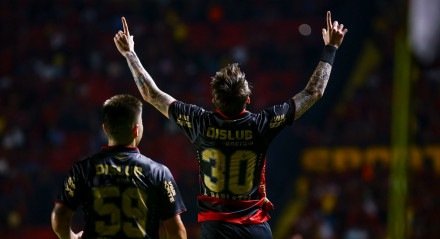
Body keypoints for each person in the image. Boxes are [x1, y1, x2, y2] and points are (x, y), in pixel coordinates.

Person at [114, 11, 347, 239]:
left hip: (216, 230)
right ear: (247, 99)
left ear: (214, 100)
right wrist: (331, 48)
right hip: (255, 229)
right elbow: (314, 92)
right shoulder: (261, 124)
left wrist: (130, 54)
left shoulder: (199, 122)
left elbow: (150, 94)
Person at [51, 94, 187, 239]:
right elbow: (176, 232)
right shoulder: (159, 172)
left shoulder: (83, 169)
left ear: (105, 129)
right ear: (136, 130)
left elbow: (60, 219)